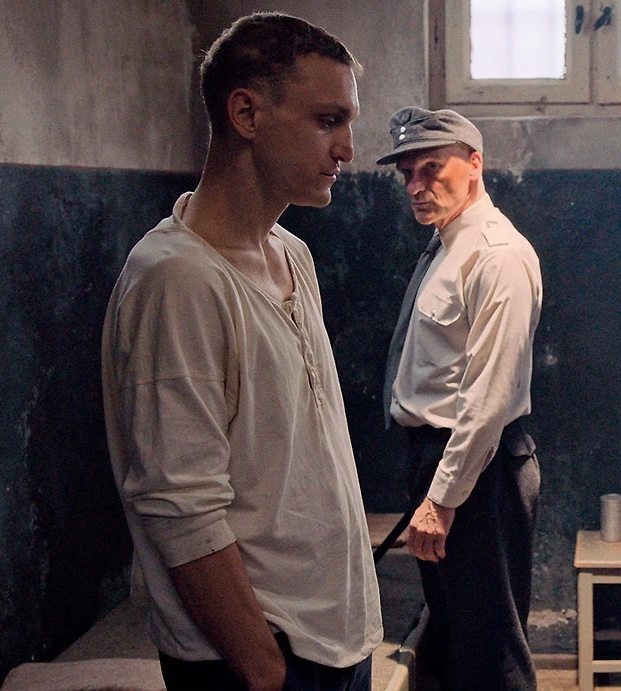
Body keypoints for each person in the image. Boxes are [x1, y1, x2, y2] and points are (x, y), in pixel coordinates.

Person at [102, 13, 380, 691]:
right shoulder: (177, 278)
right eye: (327, 120)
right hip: (258, 656)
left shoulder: (292, 253)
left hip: (334, 639)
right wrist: (264, 668)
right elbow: (180, 505)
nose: (347, 149)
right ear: (247, 114)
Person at [377, 106, 543, 690]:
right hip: (441, 459)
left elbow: (488, 398)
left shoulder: (497, 254)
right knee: (452, 641)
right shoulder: (448, 246)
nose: (415, 186)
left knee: (491, 653)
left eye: (431, 168)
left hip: (477, 471)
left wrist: (443, 500)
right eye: (407, 173)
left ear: (475, 164)